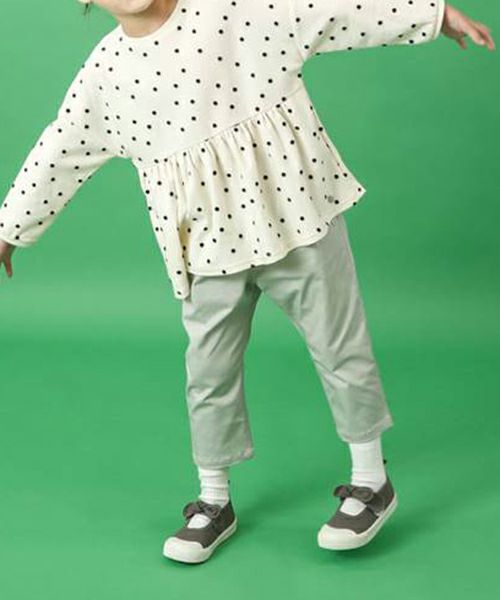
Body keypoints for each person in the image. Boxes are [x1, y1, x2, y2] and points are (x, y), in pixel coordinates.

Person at [0, 0, 494, 564]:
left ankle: (371, 480)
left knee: (340, 347)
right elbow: (60, 149)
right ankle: (214, 500)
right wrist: (9, 228)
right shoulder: (105, 75)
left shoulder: (232, 11)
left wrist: (432, 15)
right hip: (207, 250)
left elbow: (331, 10)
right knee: (207, 373)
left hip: (297, 219)